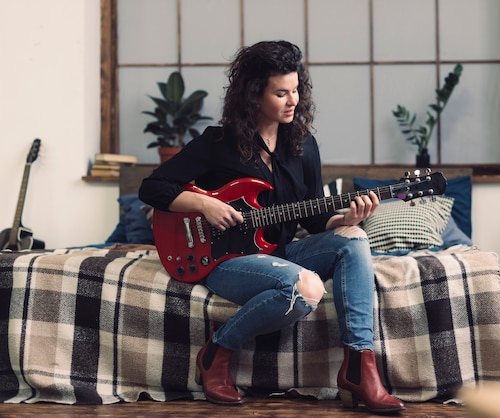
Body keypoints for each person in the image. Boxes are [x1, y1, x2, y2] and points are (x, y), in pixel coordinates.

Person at [139, 40, 405, 414]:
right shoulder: (218, 143)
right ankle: (218, 351)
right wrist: (205, 203)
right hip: (221, 259)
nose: (292, 100)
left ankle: (361, 367)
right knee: (305, 288)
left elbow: (313, 219)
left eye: (296, 90)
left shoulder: (303, 146)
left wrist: (345, 219)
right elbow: (152, 188)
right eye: (281, 93)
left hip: (278, 252)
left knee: (355, 239)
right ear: (253, 95)